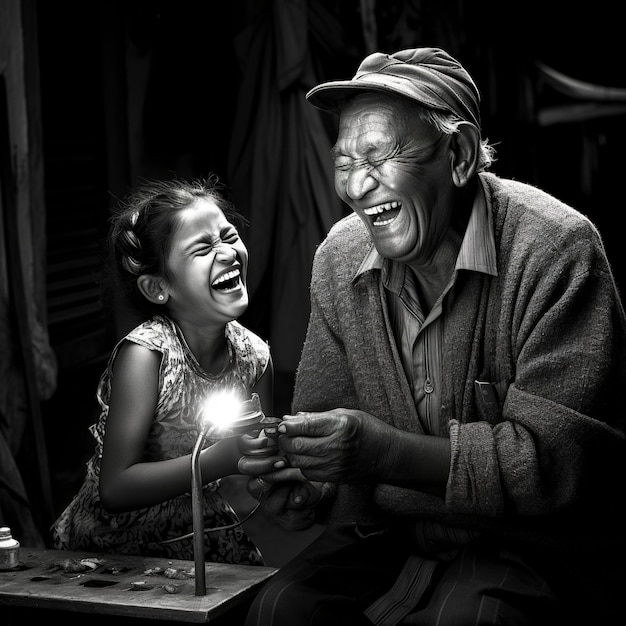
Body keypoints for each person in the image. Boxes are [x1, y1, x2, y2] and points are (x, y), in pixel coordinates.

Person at [239, 48, 626, 623]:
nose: (357, 185)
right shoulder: (339, 258)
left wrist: (382, 453)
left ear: (461, 156)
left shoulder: (556, 249)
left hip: (535, 548)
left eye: (381, 156)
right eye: (344, 161)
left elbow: (553, 465)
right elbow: (328, 420)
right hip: (394, 535)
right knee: (278, 609)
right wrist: (309, 483)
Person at [50, 176, 275, 565]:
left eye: (229, 235)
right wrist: (221, 458)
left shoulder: (255, 356)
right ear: (158, 288)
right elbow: (116, 488)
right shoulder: (146, 355)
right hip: (111, 549)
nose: (227, 253)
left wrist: (273, 462)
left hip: (202, 534)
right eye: (203, 248)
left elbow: (254, 466)